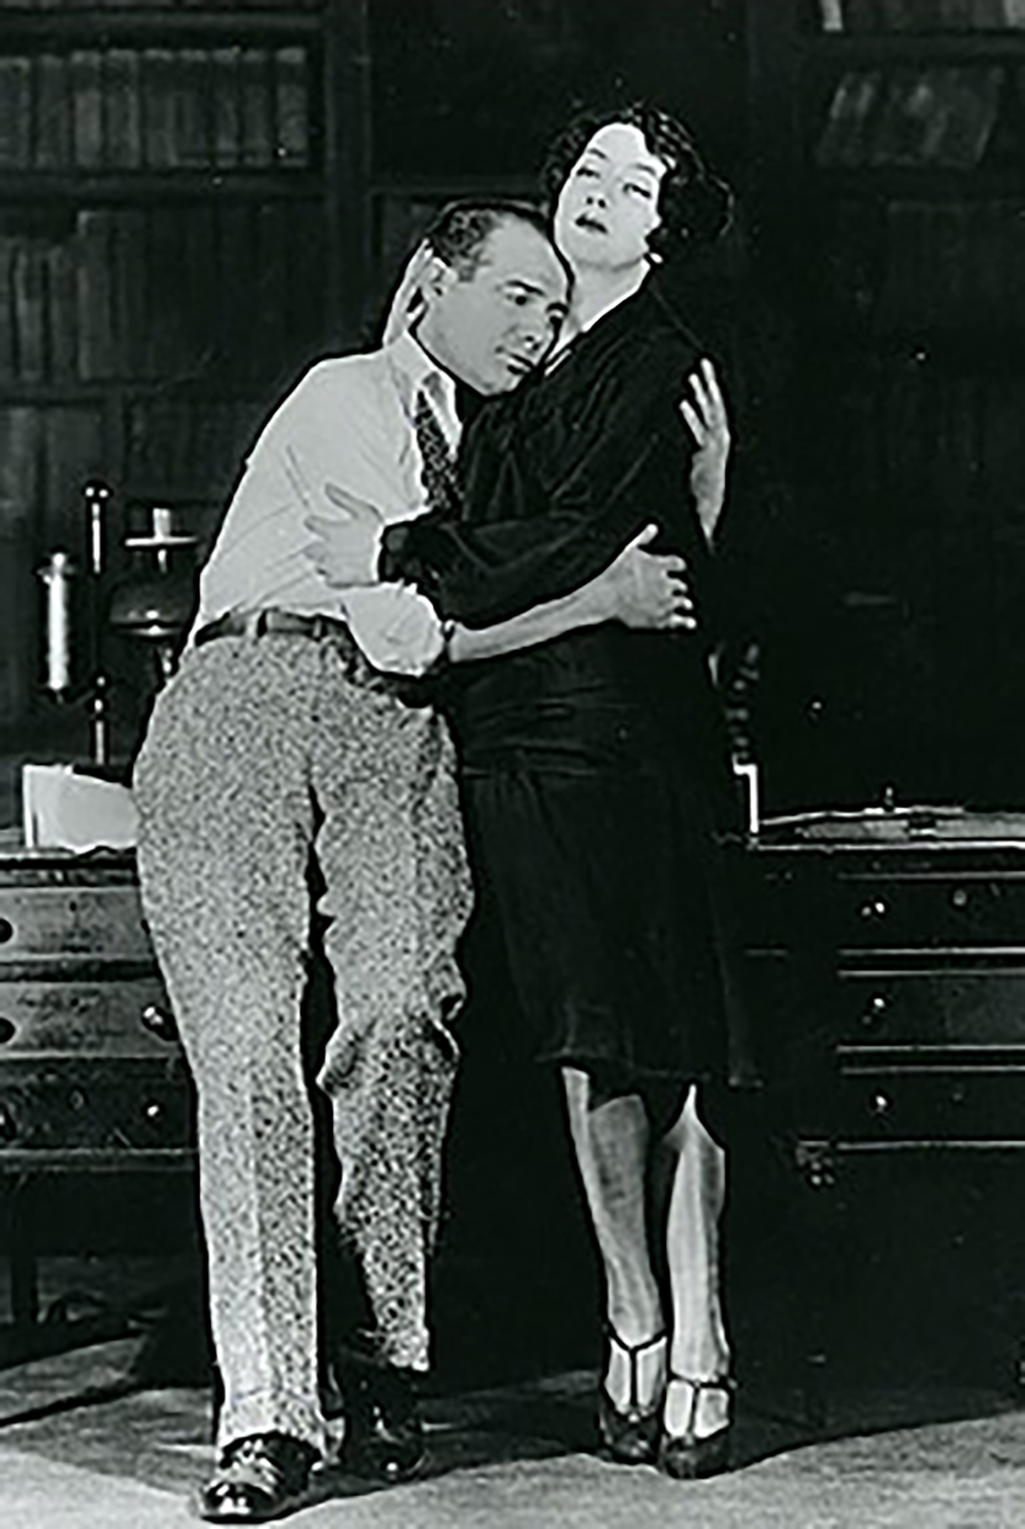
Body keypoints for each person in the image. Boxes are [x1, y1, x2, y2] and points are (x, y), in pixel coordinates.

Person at [132, 198, 704, 1524]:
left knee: (401, 1011)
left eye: (556, 310)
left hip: (398, 731)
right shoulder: (346, 395)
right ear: (428, 284)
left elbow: (570, 562)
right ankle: (268, 1414)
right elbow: (404, 617)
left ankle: (385, 1359)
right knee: (250, 1054)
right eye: (515, 295)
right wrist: (591, 599)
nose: (539, 329)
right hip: (243, 696)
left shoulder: (501, 454)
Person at [305, 104, 749, 1482]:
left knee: (677, 1033)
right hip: (511, 735)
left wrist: (398, 548)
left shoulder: (661, 359)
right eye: (588, 171)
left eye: (636, 183)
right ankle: (630, 1313)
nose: (599, 193)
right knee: (581, 1030)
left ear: (666, 229)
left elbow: (570, 541)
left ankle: (700, 1332)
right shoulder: (520, 363)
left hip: (628, 731)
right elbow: (535, 548)